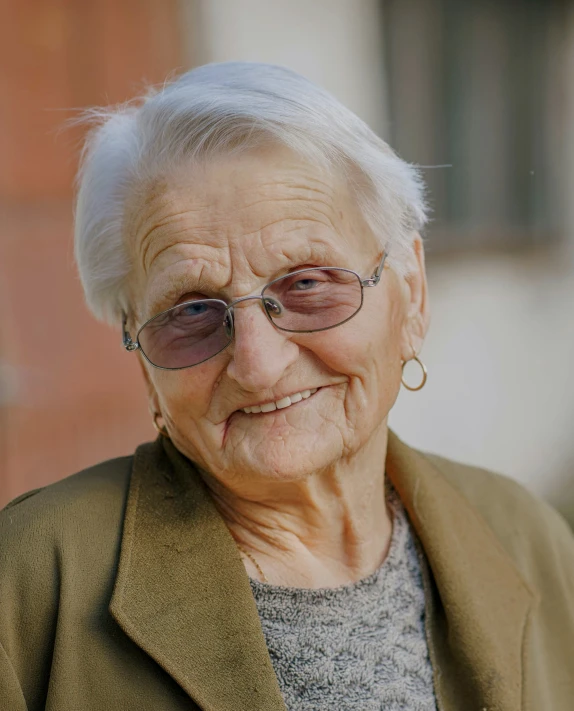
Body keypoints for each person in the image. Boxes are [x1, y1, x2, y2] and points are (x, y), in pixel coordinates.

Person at [1, 62, 573, 711]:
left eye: (307, 284)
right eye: (191, 311)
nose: (258, 364)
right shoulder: (25, 590)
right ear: (140, 355)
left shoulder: (526, 536)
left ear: (410, 293)